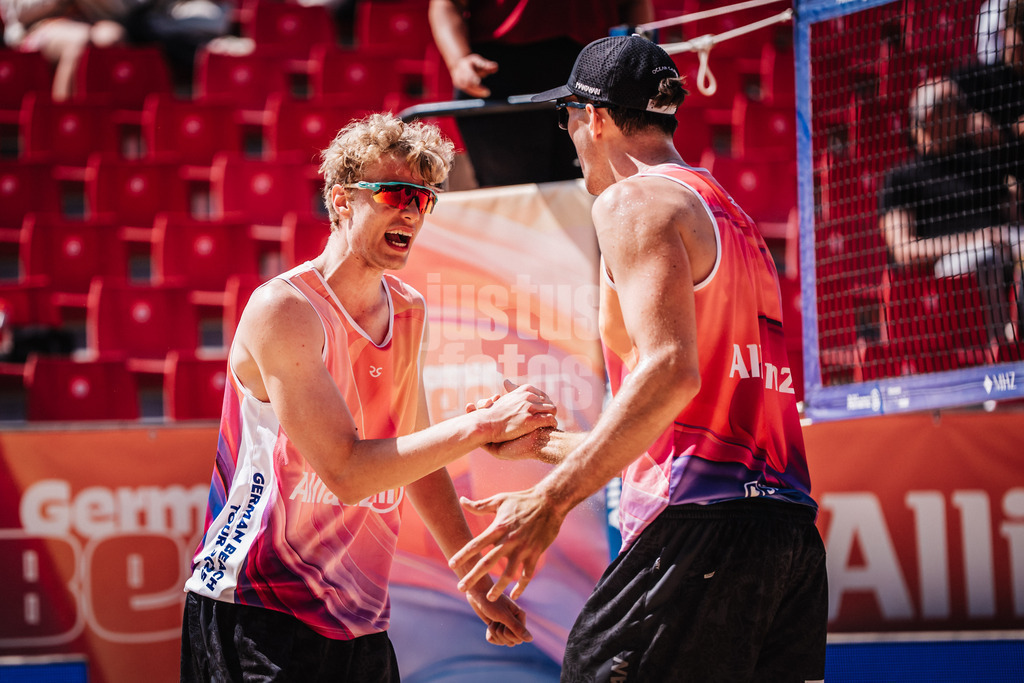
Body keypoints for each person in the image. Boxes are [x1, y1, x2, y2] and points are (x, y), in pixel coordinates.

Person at [448, 35, 827, 682]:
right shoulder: (727, 214)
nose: (567, 136)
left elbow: (670, 371)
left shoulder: (630, 201)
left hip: (698, 535)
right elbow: (683, 426)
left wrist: (549, 500)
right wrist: (545, 447)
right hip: (787, 537)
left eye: (566, 116)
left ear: (593, 118)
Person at [180, 113, 557, 681]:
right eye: (396, 193)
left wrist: (473, 580)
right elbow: (349, 472)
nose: (411, 210)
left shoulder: (407, 309)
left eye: (424, 199)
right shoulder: (285, 309)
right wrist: (481, 427)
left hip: (358, 617)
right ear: (341, 200)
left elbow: (415, 462)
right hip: (257, 607)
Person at [428, 0, 653, 188]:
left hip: (595, 71)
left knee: (593, 194)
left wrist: (641, 64)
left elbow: (635, 4)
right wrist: (459, 60)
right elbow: (447, 3)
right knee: (516, 201)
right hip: (499, 77)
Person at [879, 77, 1020, 357]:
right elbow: (904, 250)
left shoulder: (980, 163)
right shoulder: (901, 179)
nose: (967, 113)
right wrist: (974, 240)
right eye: (957, 106)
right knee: (985, 256)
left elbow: (1014, 212)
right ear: (929, 116)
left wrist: (1002, 145)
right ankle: (1000, 356)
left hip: (1000, 253)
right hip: (947, 275)